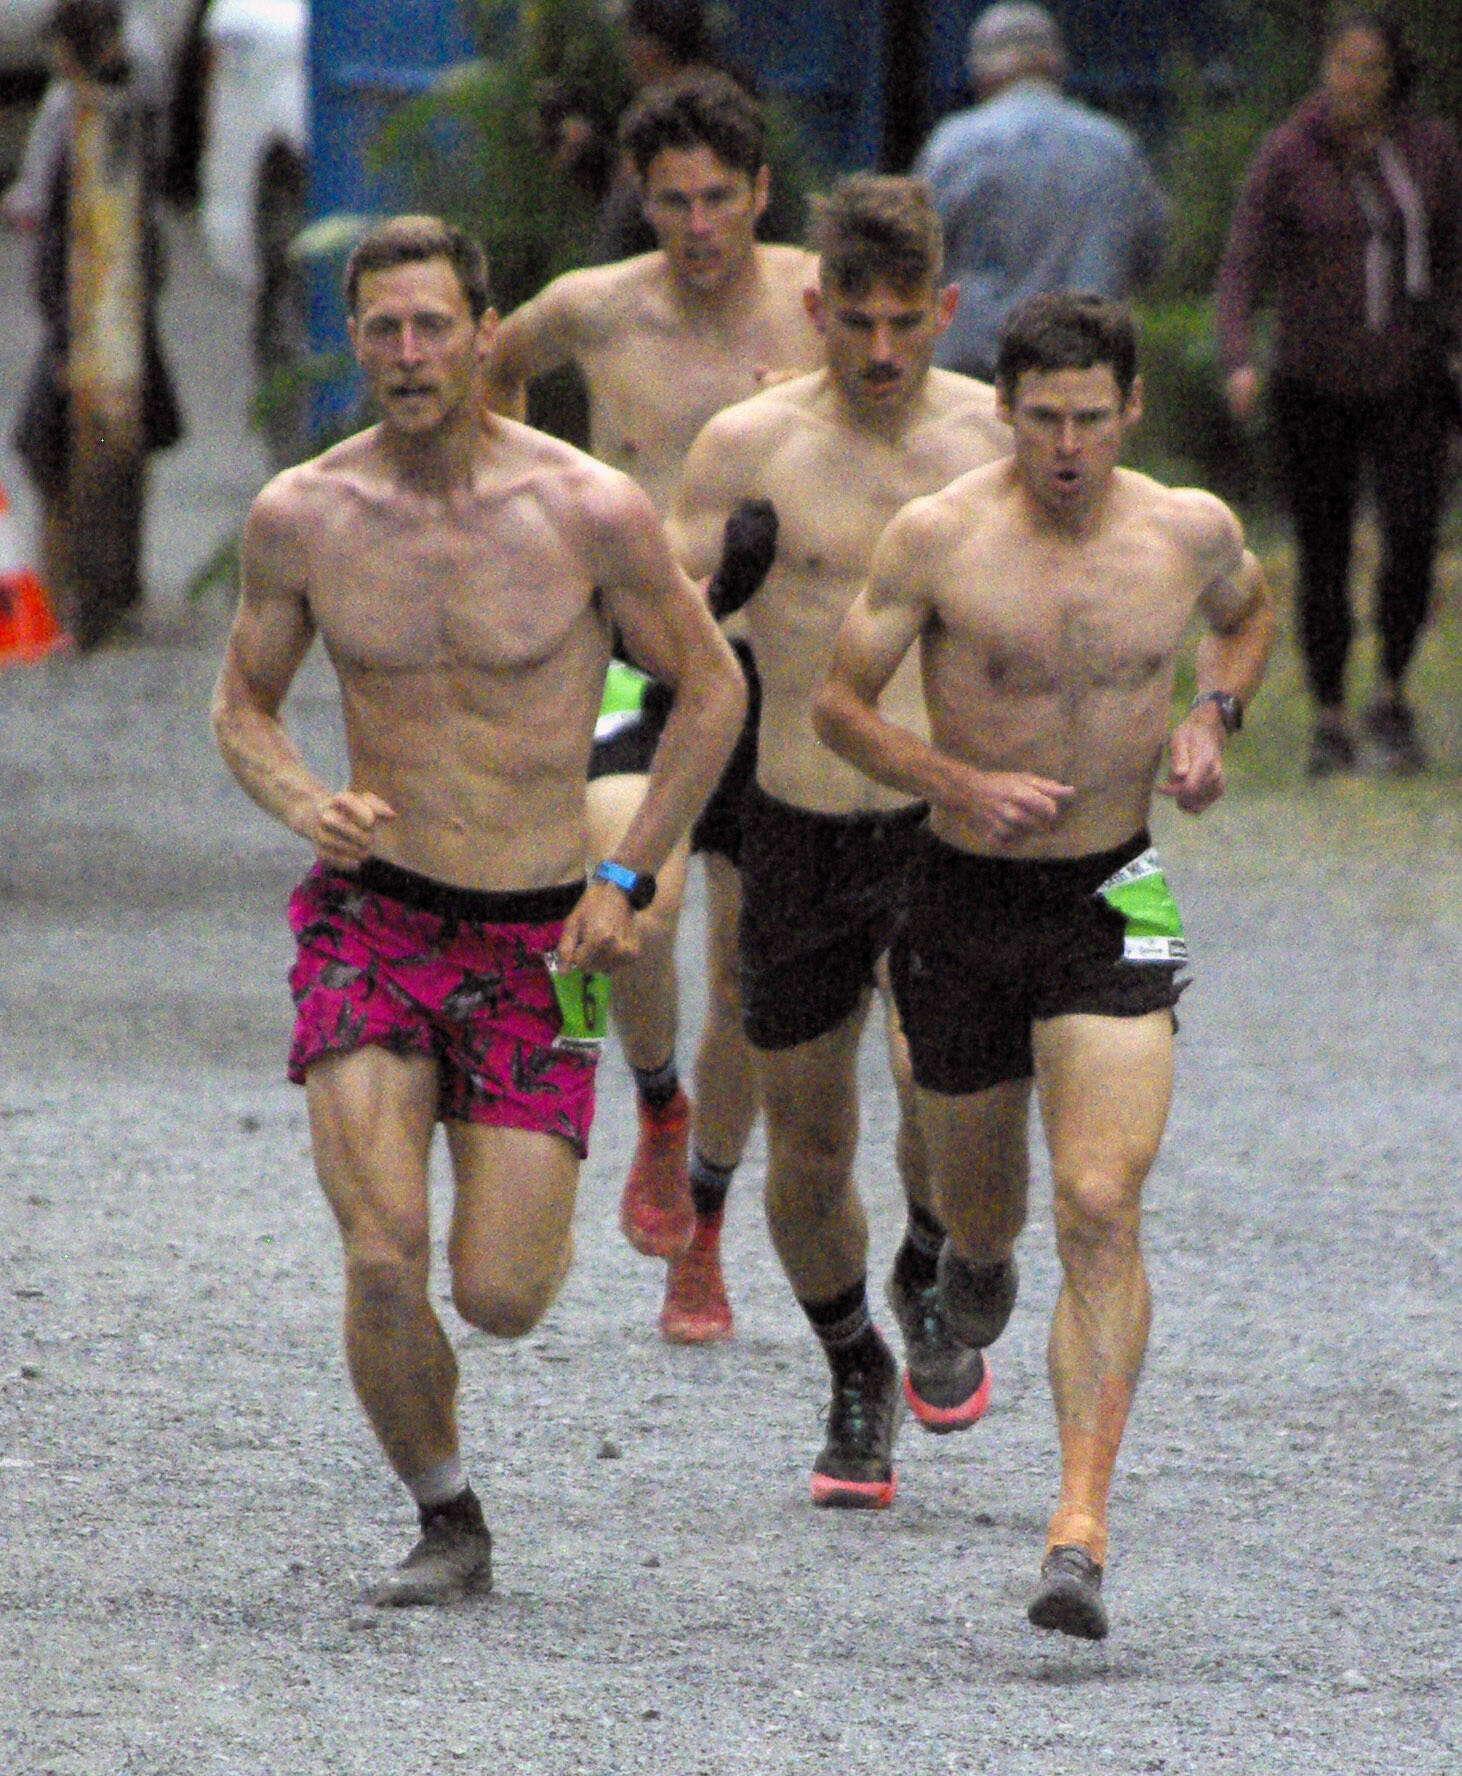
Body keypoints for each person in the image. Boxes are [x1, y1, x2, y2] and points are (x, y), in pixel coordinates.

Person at [210, 215, 744, 1606]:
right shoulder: (303, 516)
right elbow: (243, 705)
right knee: (379, 1249)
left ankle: (469, 1398)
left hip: (535, 938)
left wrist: (627, 876)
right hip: (372, 919)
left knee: (499, 1294)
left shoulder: (584, 512)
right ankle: (447, 1516)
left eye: (431, 325)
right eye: (381, 329)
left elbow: (712, 691)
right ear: (355, 343)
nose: (406, 354)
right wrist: (299, 799)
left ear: (482, 334)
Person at [814, 292, 1275, 1635]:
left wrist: (1210, 716)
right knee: (987, 1214)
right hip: (958, 893)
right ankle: (965, 1274)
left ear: (1128, 409)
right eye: (1039, 417)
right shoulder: (939, 538)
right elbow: (840, 706)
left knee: (1099, 1198)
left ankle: (1076, 1527)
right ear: (1003, 412)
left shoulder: (1187, 531)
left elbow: (1245, 621)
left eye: (1088, 416)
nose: (1064, 443)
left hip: (1117, 886)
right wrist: (952, 774)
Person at [670, 174, 1011, 1508]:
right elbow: (658, 634)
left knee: (944, 1087)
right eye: (851, 321)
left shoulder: (993, 439)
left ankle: (928, 1263)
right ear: (810, 305)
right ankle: (851, 1362)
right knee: (805, 1143)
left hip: (940, 823)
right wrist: (720, 593)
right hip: (796, 822)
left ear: (944, 310)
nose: (878, 352)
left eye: (902, 323)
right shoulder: (744, 448)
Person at [484, 71, 822, 1344]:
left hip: (770, 663)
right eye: (671, 199)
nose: (695, 225)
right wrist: (521, 518)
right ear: (642, 197)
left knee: (743, 974)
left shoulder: (810, 301)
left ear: (761, 193)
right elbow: (493, 370)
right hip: (640, 654)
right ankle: (656, 1098)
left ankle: (707, 1228)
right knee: (637, 899)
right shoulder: (594, 306)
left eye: (719, 198)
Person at [1216, 8, 1462, 778]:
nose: (1351, 82)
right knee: (1321, 550)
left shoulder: (1432, 150)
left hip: (1412, 374)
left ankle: (1391, 693)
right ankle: (1329, 713)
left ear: (1394, 77)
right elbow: (1242, 264)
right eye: (1341, 65)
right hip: (1313, 379)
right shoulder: (1290, 155)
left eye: (1368, 68)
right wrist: (1236, 358)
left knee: (1413, 535)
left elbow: (1454, 254)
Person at [8, 0, 182, 648]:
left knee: (55, 459)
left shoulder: (90, 113)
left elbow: (62, 225)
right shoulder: (131, 101)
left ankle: (70, 599)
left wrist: (62, 323)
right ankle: (105, 590)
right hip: (111, 315)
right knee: (100, 452)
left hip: (91, 318)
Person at [913, 3, 1167, 383]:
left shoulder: (953, 146)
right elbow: (1153, 253)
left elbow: (915, 253)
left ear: (982, 72)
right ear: (1056, 65)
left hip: (980, 378)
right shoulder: (1115, 148)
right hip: (1088, 377)